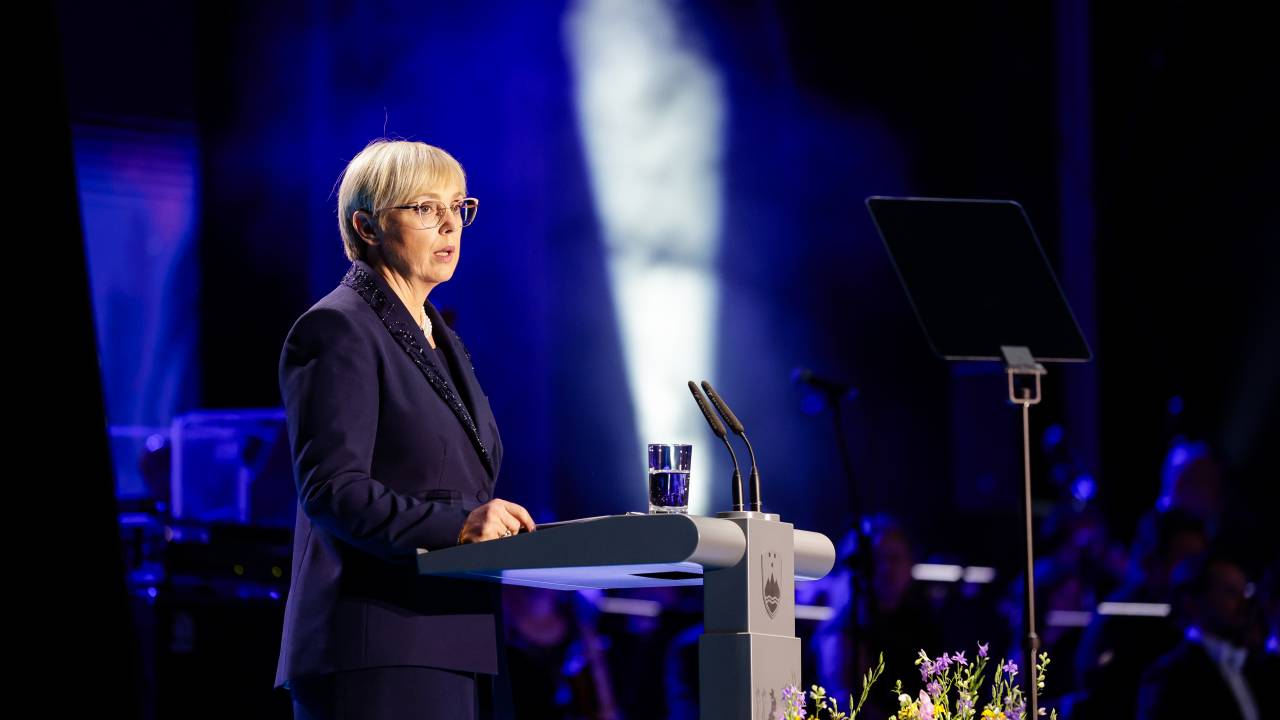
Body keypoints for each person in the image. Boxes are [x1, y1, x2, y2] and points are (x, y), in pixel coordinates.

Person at [274, 139, 536, 719]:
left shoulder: (441, 338)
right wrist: (458, 525)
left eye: (458, 206)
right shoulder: (337, 328)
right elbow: (332, 491)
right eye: (424, 208)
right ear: (366, 226)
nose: (449, 224)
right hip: (378, 644)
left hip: (456, 638)